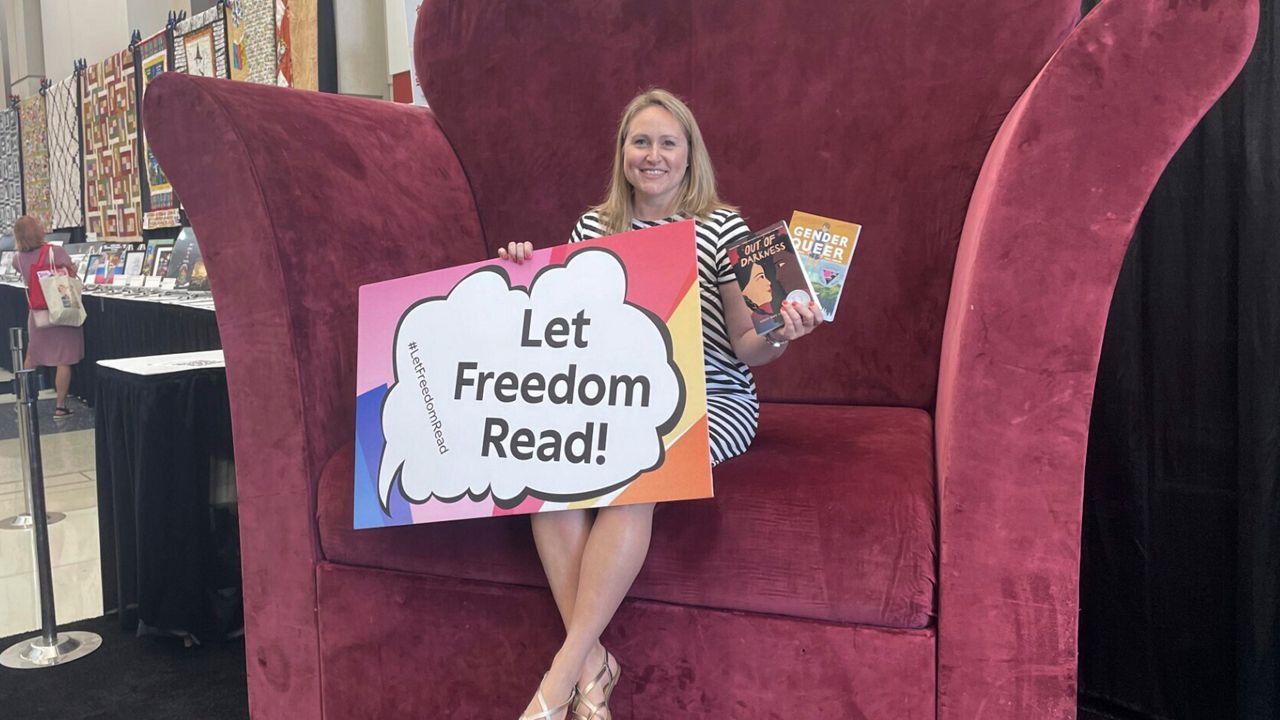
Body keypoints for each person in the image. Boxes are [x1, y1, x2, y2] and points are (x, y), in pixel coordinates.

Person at [500, 89, 824, 720]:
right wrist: (520, 270)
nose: (653, 156)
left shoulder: (724, 229)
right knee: (548, 478)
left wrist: (783, 329)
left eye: (667, 143)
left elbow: (746, 346)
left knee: (639, 470)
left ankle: (560, 678)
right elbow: (564, 330)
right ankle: (595, 665)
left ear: (689, 155)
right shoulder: (592, 229)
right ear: (622, 154)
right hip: (613, 397)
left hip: (713, 399)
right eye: (640, 142)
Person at [12, 216, 84, 417]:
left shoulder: (17, 258)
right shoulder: (55, 251)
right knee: (64, 358)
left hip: (37, 314)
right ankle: (60, 406)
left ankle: (24, 399)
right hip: (61, 309)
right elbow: (71, 272)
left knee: (31, 356)